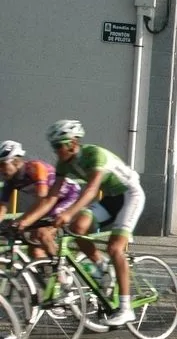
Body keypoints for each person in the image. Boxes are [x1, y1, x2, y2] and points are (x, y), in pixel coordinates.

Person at [21, 120, 146, 325]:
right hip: (111, 198)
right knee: (77, 228)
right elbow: (50, 198)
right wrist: (27, 221)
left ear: (72, 143)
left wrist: (69, 212)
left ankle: (126, 309)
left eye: (58, 146)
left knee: (115, 248)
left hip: (130, 195)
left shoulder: (94, 154)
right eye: (54, 146)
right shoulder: (64, 164)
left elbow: (91, 190)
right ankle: (101, 265)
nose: (56, 151)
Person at [0, 140, 81, 258]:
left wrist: (23, 220)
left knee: (42, 233)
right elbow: (2, 208)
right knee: (33, 246)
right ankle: (43, 273)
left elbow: (42, 200)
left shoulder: (35, 168)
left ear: (16, 161)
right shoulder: (10, 180)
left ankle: (59, 269)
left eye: (2, 164)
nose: (0, 169)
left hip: (68, 197)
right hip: (49, 204)